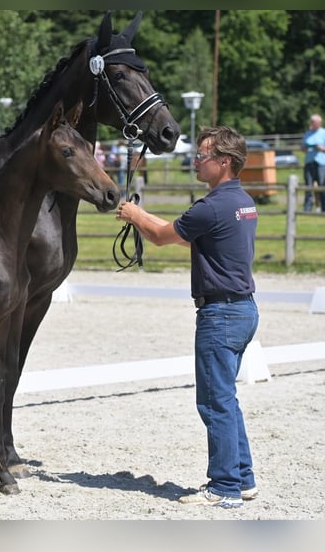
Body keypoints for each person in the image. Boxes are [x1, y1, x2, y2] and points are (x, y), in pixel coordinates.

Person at [116, 126, 259, 509]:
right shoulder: (241, 200)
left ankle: (225, 486)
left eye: (203, 155)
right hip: (243, 309)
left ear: (224, 162)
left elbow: (163, 237)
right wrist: (144, 216)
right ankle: (242, 477)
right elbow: (182, 233)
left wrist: (134, 214)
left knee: (214, 403)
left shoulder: (212, 205)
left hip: (221, 314)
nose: (196, 160)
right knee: (226, 399)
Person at [301, 113, 325, 213]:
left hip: (321, 162)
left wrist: (321, 148)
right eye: (313, 123)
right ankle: (307, 208)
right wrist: (306, 147)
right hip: (309, 162)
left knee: (322, 186)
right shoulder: (307, 133)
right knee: (308, 186)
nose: (315, 124)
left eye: (317, 123)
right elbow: (302, 148)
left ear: (320, 123)